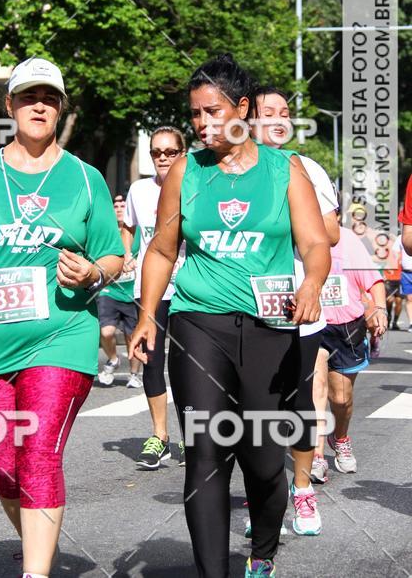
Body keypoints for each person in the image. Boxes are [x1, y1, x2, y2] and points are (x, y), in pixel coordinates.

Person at [130, 54, 331, 578]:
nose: (201, 124)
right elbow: (160, 251)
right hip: (200, 324)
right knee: (206, 454)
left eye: (212, 111)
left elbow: (314, 243)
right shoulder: (184, 172)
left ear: (242, 109)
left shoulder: (283, 170)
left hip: (271, 328)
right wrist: (148, 314)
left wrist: (312, 283)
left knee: (265, 464)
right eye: (195, 114)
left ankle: (262, 551)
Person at [0, 57, 124, 578]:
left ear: (60, 109)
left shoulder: (85, 179)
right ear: (10, 105)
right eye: (27, 96)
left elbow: (112, 255)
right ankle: (41, 543)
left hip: (61, 335)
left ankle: (34, 573)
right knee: (5, 464)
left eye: (50, 98)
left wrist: (92, 273)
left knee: (38, 450)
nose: (39, 105)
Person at [252, 87, 339, 533]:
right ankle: (263, 500)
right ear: (248, 118)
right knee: (253, 412)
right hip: (245, 308)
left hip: (297, 304)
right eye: (270, 113)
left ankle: (302, 491)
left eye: (285, 112)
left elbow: (333, 234)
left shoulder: (304, 167)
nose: (280, 119)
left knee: (300, 404)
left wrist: (296, 205)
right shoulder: (227, 171)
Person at [122, 126, 186, 469]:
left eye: (170, 152)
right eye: (156, 153)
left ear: (182, 153)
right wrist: (126, 254)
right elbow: (128, 228)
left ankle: (192, 437)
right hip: (149, 289)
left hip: (189, 290)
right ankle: (159, 435)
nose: (162, 158)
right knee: (151, 360)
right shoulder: (139, 190)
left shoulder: (193, 187)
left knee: (187, 366)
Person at [312, 226, 387, 478]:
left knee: (341, 399)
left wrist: (379, 309)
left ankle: (340, 437)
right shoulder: (296, 234)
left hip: (346, 328)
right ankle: (316, 456)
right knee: (316, 390)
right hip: (312, 323)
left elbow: (373, 280)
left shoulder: (348, 240)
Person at [97, 195, 142, 388]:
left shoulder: (137, 231)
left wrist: (134, 262)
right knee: (106, 332)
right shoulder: (106, 230)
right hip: (109, 290)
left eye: (123, 205)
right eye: (115, 205)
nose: (119, 208)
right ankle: (113, 359)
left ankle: (134, 374)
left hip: (133, 291)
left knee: (133, 336)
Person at [384, 238, 403, 330]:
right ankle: (388, 317)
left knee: (399, 301)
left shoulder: (402, 252)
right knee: (389, 300)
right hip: (389, 280)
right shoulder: (385, 252)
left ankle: (395, 322)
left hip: (400, 279)